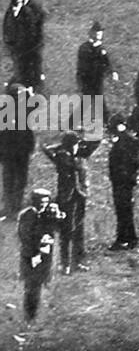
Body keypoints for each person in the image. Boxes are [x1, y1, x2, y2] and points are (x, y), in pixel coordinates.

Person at [41, 131, 100, 274]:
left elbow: (94, 144)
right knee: (66, 231)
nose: (78, 147)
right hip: (67, 197)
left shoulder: (67, 154)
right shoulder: (63, 157)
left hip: (78, 195)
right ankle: (65, 263)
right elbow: (70, 163)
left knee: (78, 230)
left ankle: (76, 261)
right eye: (76, 144)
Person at [16, 189, 63, 322]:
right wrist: (35, 252)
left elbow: (59, 227)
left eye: (46, 202)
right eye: (41, 202)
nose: (43, 205)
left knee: (42, 282)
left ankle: (37, 315)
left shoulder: (47, 214)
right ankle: (30, 316)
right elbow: (25, 236)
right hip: (31, 255)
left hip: (44, 256)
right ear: (33, 201)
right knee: (32, 286)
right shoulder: (27, 215)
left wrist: (57, 215)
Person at [106, 114, 139, 250]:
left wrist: (126, 175)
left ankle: (126, 238)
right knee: (122, 209)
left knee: (124, 209)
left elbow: (135, 162)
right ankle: (127, 238)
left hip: (124, 181)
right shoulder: (124, 141)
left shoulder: (129, 142)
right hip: (120, 181)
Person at [0, 83, 36, 217]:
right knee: (19, 179)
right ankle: (14, 207)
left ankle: (10, 207)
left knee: (10, 179)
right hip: (20, 151)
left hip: (10, 151)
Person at [3, 0, 45, 88]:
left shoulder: (32, 10)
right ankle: (21, 87)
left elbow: (33, 27)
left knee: (31, 70)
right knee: (21, 69)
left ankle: (32, 87)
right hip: (17, 47)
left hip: (30, 47)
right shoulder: (11, 11)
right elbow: (7, 27)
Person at [76, 20, 117, 101]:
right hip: (87, 80)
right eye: (96, 31)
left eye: (100, 32)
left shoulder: (101, 47)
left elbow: (106, 61)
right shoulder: (85, 47)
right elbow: (86, 62)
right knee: (88, 102)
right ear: (91, 33)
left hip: (98, 79)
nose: (99, 33)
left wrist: (112, 71)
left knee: (96, 102)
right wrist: (96, 48)